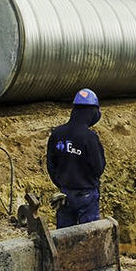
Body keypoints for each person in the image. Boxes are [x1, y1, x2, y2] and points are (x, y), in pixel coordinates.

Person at [46, 88, 106, 228]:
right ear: (92, 113)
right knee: (89, 235)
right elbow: (98, 167)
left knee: (64, 236)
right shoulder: (89, 137)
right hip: (86, 194)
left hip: (64, 193)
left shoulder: (57, 134)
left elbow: (50, 164)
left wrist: (61, 184)